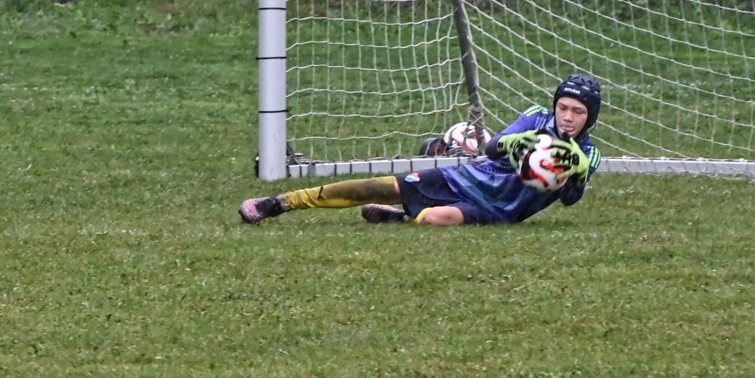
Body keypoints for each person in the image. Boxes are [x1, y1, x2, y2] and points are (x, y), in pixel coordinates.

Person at [239, 75, 604, 228]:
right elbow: (492, 147)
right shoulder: (535, 117)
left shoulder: (588, 153)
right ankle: (281, 203)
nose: (568, 117)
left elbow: (570, 200)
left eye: (578, 112)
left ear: (590, 116)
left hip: (497, 210)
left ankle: (398, 217)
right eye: (563, 107)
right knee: (377, 186)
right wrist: (511, 144)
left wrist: (575, 174)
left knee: (433, 220)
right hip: (464, 179)